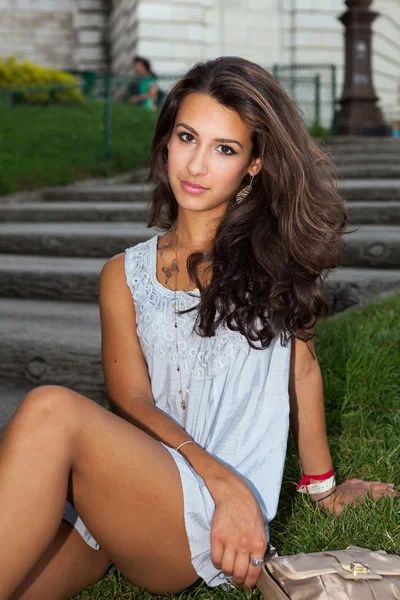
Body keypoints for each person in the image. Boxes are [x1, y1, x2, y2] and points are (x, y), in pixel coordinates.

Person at [0, 57, 396, 600]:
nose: (196, 164)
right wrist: (220, 476)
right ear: (166, 141)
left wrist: (321, 488)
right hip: (127, 498)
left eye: (224, 148)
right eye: (187, 137)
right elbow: (131, 399)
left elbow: (301, 372)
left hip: (199, 522)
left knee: (51, 408)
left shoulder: (277, 265)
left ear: (254, 164)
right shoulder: (124, 275)